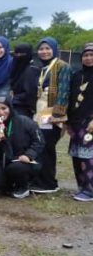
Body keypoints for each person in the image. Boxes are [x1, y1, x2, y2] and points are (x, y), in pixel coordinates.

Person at [30, 37, 73, 194]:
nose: (44, 52)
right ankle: (39, 180)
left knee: (47, 146)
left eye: (47, 48)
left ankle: (48, 183)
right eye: (41, 49)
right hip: (41, 112)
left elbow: (64, 91)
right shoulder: (43, 67)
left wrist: (58, 114)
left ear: (54, 49)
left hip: (52, 113)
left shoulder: (62, 66)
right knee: (41, 145)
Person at [0, 98, 44, 199]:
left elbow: (39, 141)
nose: (1, 112)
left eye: (4, 108)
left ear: (10, 108)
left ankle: (24, 186)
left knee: (16, 168)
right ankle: (10, 186)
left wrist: (29, 155)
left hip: (24, 161)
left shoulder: (25, 121)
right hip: (5, 162)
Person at [66, 43, 93, 201]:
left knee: (88, 157)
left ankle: (90, 190)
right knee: (77, 155)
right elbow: (71, 99)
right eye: (86, 55)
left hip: (89, 122)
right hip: (76, 122)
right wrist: (68, 122)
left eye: (91, 55)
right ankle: (82, 187)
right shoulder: (77, 75)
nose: (88, 58)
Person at [8, 43, 38, 118]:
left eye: (22, 54)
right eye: (17, 54)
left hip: (25, 109)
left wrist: (15, 97)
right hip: (16, 105)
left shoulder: (32, 69)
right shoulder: (17, 68)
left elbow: (30, 93)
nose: (19, 56)